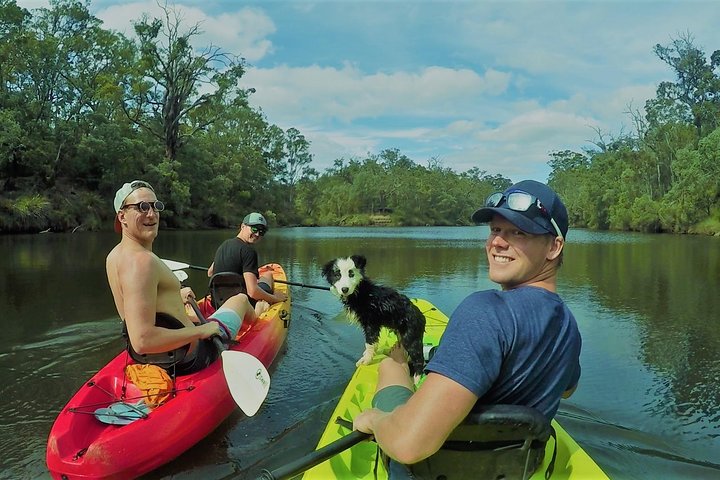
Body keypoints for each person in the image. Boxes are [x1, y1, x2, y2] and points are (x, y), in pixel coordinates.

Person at [352, 179, 581, 476]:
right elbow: (567, 389)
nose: (497, 242)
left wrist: (375, 420)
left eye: (518, 232)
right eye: (495, 230)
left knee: (392, 366)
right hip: (511, 469)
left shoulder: (486, 312)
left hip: (431, 468)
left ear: (554, 246)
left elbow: (409, 444)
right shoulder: (569, 326)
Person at [106, 180, 260, 376]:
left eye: (156, 206)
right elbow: (142, 340)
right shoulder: (142, 262)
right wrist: (202, 331)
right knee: (241, 299)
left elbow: (137, 304)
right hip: (191, 357)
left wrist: (175, 295)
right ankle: (258, 326)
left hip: (158, 358)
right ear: (122, 216)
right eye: (141, 207)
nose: (152, 214)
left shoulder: (115, 256)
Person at [208, 212, 288, 312]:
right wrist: (275, 298)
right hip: (243, 304)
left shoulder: (224, 245)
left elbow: (210, 272)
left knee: (260, 278)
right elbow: (253, 292)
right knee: (268, 275)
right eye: (254, 229)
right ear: (242, 226)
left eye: (261, 232)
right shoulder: (249, 252)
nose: (257, 234)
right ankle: (265, 304)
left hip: (218, 302)